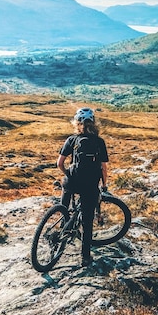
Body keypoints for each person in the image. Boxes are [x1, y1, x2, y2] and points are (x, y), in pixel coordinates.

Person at [56, 107, 108, 267]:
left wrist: (68, 174)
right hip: (90, 185)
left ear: (77, 123)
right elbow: (103, 168)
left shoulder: (72, 139)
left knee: (63, 205)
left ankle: (61, 229)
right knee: (87, 221)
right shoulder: (99, 142)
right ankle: (85, 257)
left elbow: (59, 163)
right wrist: (104, 185)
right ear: (94, 123)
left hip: (72, 181)